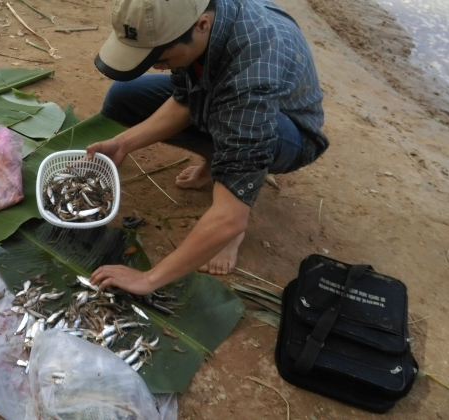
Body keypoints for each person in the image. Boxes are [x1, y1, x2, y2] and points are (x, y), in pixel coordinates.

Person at [87, 0, 329, 294]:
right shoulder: (192, 16)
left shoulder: (251, 76)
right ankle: (217, 159)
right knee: (124, 96)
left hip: (288, 131)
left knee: (235, 144)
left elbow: (230, 217)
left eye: (159, 57)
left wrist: (148, 279)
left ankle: (234, 188)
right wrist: (122, 143)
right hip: (231, 102)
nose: (153, 65)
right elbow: (187, 99)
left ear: (202, 25)